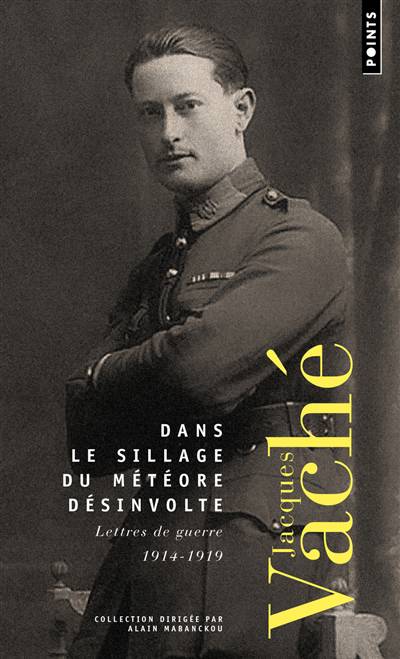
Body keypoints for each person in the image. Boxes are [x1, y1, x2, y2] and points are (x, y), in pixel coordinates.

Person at [66, 24, 349, 659]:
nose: (168, 131)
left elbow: (195, 373)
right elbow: (86, 424)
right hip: (152, 544)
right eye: (150, 113)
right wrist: (122, 381)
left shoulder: (299, 238)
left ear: (241, 108)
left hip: (246, 557)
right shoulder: (161, 261)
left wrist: (109, 375)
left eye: (187, 106)